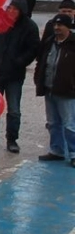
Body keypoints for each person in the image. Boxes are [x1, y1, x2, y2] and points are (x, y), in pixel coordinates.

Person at [0, 0, 40, 153]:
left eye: (15, 9)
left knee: (14, 109)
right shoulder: (0, 23)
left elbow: (33, 49)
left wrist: (19, 62)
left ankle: (12, 139)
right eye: (9, 8)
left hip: (15, 75)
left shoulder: (30, 27)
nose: (11, 11)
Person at [35, 14, 75, 164]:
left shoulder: (73, 44)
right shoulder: (49, 42)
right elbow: (41, 61)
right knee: (53, 123)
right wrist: (39, 79)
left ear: (68, 27)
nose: (57, 28)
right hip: (50, 89)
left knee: (69, 124)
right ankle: (56, 150)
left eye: (60, 25)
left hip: (67, 92)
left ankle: (73, 153)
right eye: (55, 25)